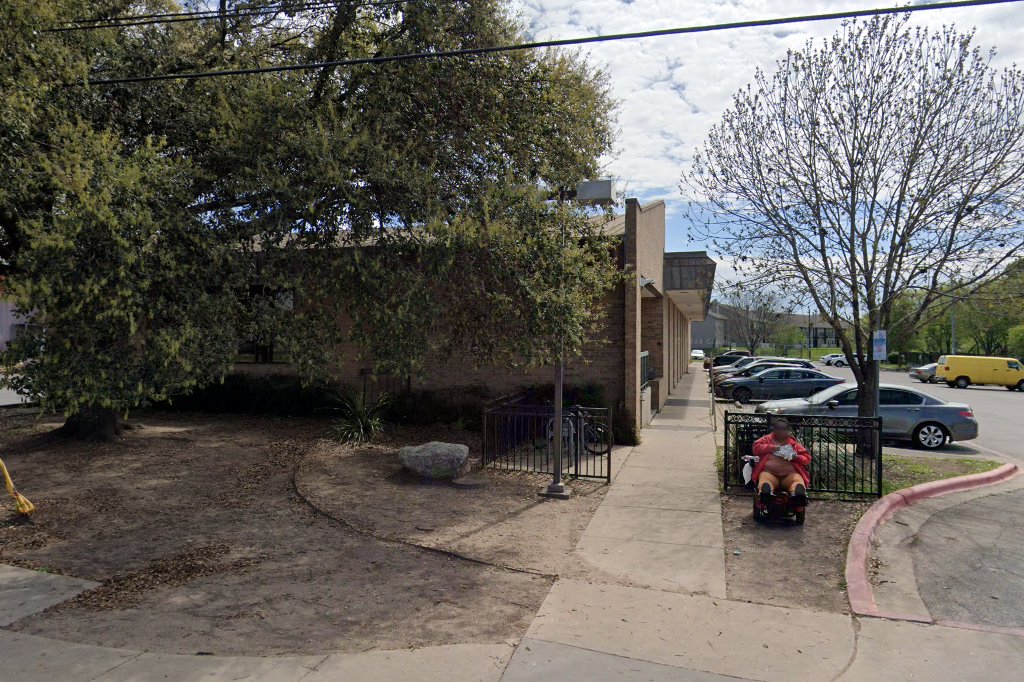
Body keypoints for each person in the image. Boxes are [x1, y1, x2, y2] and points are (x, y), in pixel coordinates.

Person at [751, 419, 810, 508]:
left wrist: (796, 457)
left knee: (797, 481)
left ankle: (798, 495)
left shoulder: (793, 443)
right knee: (765, 480)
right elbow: (756, 448)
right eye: (778, 428)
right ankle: (766, 493)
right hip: (769, 473)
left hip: (790, 474)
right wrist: (773, 448)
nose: (781, 431)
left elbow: (807, 458)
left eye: (783, 429)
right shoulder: (767, 439)